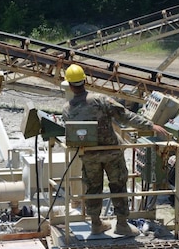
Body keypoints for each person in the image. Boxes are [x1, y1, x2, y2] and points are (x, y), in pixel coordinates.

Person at [62, 64, 169, 236]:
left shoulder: (66, 109)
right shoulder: (100, 100)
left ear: (69, 85)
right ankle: (122, 225)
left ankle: (96, 224)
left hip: (89, 156)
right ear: (85, 80)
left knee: (93, 189)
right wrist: (150, 125)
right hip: (112, 153)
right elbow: (125, 116)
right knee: (118, 186)